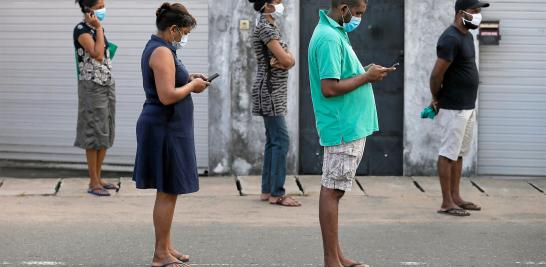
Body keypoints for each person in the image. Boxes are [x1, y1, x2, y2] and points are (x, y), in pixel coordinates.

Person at [308, 0, 396, 266]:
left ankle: (337, 256)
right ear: (344, 8)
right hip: (343, 126)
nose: (359, 18)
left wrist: (363, 72)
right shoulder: (329, 39)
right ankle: (330, 261)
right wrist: (367, 77)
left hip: (349, 125)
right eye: (357, 13)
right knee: (332, 191)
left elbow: (342, 75)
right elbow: (329, 88)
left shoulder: (336, 33)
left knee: (336, 190)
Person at [132, 2, 209, 267]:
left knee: (170, 190)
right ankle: (159, 254)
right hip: (164, 129)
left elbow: (173, 82)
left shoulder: (163, 49)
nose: (185, 37)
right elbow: (166, 96)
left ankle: (166, 246)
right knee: (167, 190)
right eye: (184, 32)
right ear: (173, 29)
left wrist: (191, 78)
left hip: (169, 128)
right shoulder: (161, 52)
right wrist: (192, 86)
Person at [430, 0, 489, 217]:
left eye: (478, 12)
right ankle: (446, 202)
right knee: (448, 154)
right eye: (474, 11)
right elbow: (436, 75)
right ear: (460, 13)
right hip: (453, 107)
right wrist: (436, 98)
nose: (478, 16)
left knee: (459, 154)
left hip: (467, 106)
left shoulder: (467, 36)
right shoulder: (450, 38)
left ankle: (456, 197)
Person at [248, 0, 300, 207]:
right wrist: (286, 59)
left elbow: (288, 60)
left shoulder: (270, 26)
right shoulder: (265, 28)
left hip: (272, 90)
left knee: (273, 141)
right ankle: (277, 193)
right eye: (278, 0)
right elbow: (286, 61)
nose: (282, 3)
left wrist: (287, 59)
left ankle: (267, 190)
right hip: (269, 90)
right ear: (267, 3)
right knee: (281, 141)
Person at [73, 0, 118, 197]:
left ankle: (99, 178)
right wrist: (98, 29)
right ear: (88, 9)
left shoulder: (97, 29)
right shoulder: (82, 30)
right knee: (93, 133)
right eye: (99, 6)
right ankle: (93, 182)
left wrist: (99, 29)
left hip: (106, 84)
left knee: (105, 132)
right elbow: (98, 54)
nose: (103, 10)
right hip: (91, 87)